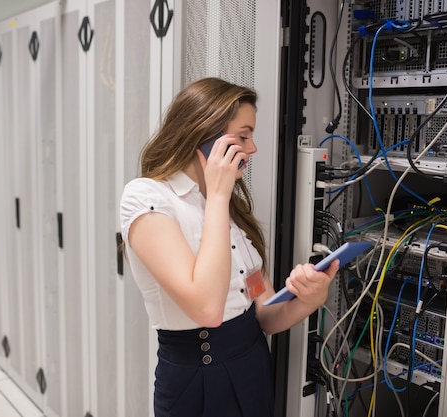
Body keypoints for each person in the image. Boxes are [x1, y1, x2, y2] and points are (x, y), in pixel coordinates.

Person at [120, 77, 339, 417]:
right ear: (205, 136)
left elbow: (264, 315)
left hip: (252, 365)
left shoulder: (227, 207)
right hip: (199, 379)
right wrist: (219, 195)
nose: (251, 148)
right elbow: (207, 309)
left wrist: (310, 299)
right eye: (243, 136)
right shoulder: (147, 198)